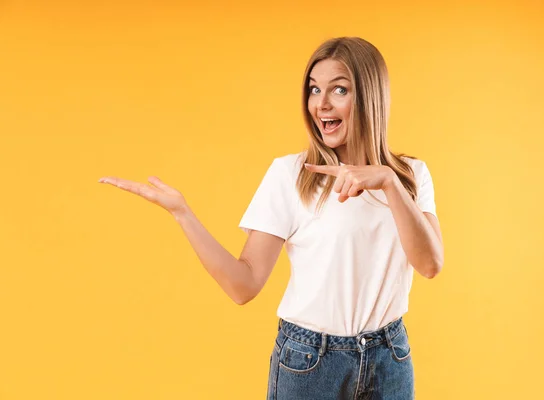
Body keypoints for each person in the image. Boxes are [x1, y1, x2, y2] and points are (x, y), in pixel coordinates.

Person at [98, 36, 444, 400]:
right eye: (313, 90)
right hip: (312, 363)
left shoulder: (410, 175)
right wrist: (182, 212)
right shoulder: (292, 174)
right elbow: (242, 285)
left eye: (338, 90)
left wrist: (388, 182)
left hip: (388, 357)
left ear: (370, 96)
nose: (320, 103)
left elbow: (430, 264)